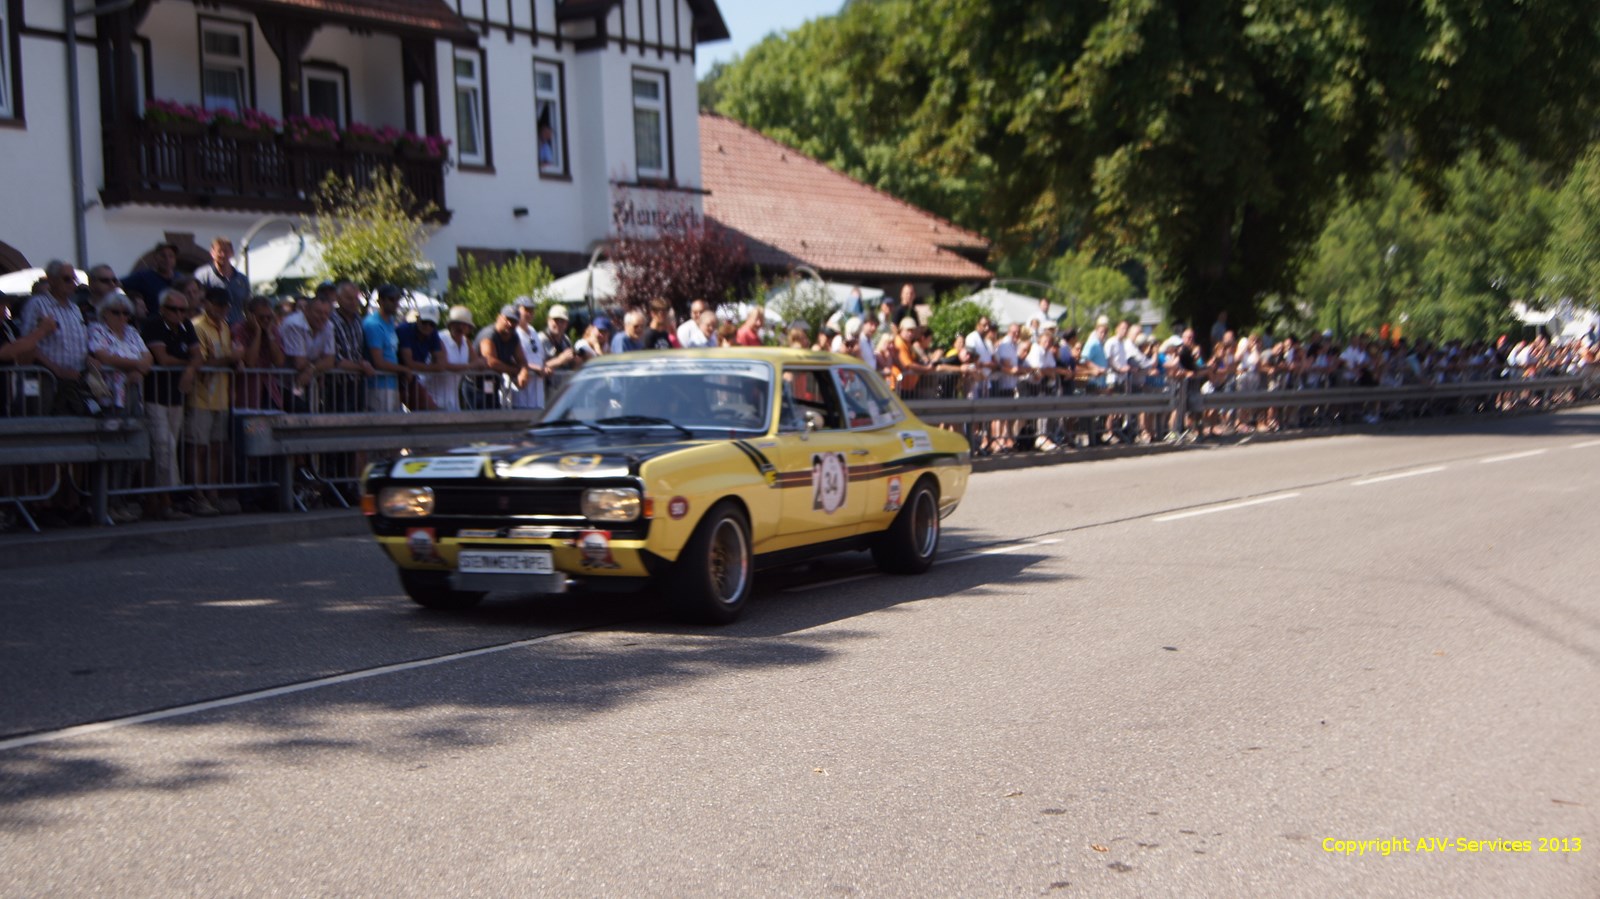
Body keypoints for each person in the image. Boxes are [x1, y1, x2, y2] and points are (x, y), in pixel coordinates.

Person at [187, 288, 237, 515]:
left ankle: (213, 494)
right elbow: (203, 364)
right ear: (207, 303)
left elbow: (226, 358)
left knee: (216, 448)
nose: (222, 309)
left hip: (221, 398)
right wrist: (230, 359)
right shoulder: (197, 326)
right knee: (199, 448)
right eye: (217, 305)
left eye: (225, 306)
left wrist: (235, 362)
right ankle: (198, 496)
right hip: (201, 398)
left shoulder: (225, 326)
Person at [21, 260, 91, 413]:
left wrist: (89, 360)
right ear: (52, 280)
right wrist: (57, 371)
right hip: (47, 380)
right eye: (67, 279)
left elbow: (81, 343)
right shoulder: (37, 305)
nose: (72, 283)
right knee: (45, 422)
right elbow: (27, 344)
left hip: (75, 381)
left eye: (74, 279)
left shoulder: (75, 309)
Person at [279, 290, 336, 413]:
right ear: (306, 311)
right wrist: (318, 364)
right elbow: (299, 363)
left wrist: (311, 369)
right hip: (281, 384)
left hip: (306, 384)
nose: (322, 317)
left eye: (326, 313)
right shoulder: (293, 323)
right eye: (318, 312)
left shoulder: (329, 326)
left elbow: (330, 361)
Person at [232, 296, 285, 411]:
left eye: (269, 317)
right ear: (251, 316)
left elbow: (279, 361)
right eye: (261, 317)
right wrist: (258, 333)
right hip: (247, 393)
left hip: (269, 390)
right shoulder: (239, 329)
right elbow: (250, 362)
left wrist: (270, 334)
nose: (266, 320)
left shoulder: (272, 329)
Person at [361, 284, 408, 412]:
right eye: (392, 299)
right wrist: (404, 370)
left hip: (391, 384)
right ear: (380, 301)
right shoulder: (373, 324)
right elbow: (378, 362)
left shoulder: (390, 321)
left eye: (398, 299)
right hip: (377, 387)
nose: (396, 303)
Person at [328, 281, 373, 413]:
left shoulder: (358, 320)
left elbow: (360, 350)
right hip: (336, 384)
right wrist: (361, 367)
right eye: (348, 298)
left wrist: (363, 364)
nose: (353, 302)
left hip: (358, 383)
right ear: (338, 298)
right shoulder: (330, 321)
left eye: (355, 298)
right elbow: (335, 360)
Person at [428, 306, 484, 411]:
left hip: (452, 400)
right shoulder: (440, 338)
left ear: (469, 328)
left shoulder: (466, 342)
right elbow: (444, 365)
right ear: (450, 325)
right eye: (457, 324)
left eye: (465, 325)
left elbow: (477, 362)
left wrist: (483, 363)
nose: (460, 328)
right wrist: (471, 365)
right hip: (433, 397)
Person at [397, 305, 447, 410]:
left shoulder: (433, 334)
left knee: (431, 411)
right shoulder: (404, 330)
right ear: (418, 318)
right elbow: (409, 363)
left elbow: (441, 364)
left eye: (432, 324)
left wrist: (414, 367)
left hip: (411, 379)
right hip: (393, 378)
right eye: (424, 321)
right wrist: (434, 367)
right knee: (388, 415)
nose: (428, 326)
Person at [194, 236, 250, 324]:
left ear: (232, 253)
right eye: (219, 251)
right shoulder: (202, 276)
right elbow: (197, 303)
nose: (223, 255)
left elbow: (247, 306)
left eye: (226, 251)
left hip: (237, 327)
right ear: (212, 253)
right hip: (211, 327)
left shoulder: (243, 279)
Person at [479, 304, 527, 408]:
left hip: (493, 386)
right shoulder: (489, 335)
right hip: (476, 388)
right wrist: (515, 370)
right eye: (507, 319)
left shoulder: (514, 337)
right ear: (499, 317)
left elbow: (522, 360)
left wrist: (524, 371)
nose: (510, 324)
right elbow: (490, 362)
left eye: (514, 321)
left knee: (494, 416)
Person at [512, 295, 549, 410]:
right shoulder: (513, 332)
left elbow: (540, 356)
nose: (530, 313)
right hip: (521, 397)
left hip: (538, 397)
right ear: (517, 310)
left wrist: (544, 367)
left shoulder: (533, 331)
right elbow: (512, 359)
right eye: (526, 310)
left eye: (532, 310)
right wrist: (535, 368)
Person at [121, 242, 179, 315]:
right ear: (155, 258)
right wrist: (134, 299)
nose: (167, 259)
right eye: (163, 256)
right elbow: (118, 285)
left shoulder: (180, 279)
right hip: (153, 320)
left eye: (171, 256)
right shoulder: (143, 277)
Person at [539, 304, 579, 391]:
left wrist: (576, 361)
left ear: (567, 323)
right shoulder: (540, 339)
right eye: (556, 320)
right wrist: (560, 360)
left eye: (562, 321)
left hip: (563, 389)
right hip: (545, 389)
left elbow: (571, 365)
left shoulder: (566, 340)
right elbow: (536, 366)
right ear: (548, 320)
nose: (559, 324)